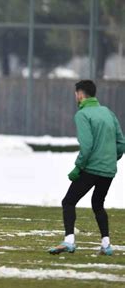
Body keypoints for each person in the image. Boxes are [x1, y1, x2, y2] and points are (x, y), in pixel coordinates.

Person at [49, 80, 125, 256]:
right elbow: (121, 143)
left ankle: (69, 241)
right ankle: (106, 245)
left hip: (91, 168)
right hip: (109, 170)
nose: (75, 97)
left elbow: (87, 145)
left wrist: (78, 167)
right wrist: (111, 159)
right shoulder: (108, 112)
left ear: (80, 94)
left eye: (76, 94)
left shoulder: (83, 115)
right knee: (98, 204)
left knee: (68, 202)